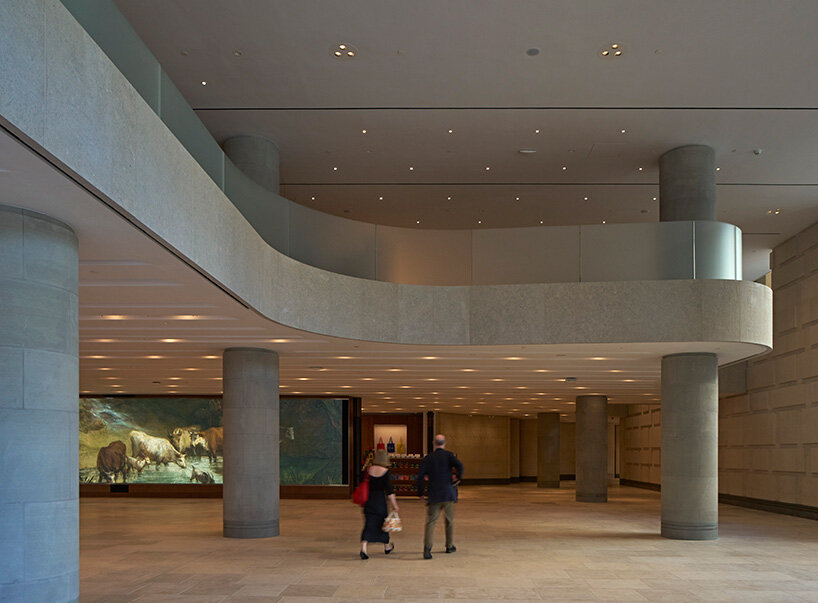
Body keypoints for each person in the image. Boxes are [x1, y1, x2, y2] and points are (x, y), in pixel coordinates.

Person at [416, 434, 464, 559]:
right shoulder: (449, 455)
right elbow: (460, 466)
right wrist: (458, 478)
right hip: (448, 493)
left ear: (434, 443)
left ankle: (427, 550)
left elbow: (420, 476)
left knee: (431, 523)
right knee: (449, 521)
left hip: (434, 494)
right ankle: (449, 546)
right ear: (444, 443)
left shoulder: (429, 458)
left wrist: (420, 493)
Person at [360, 449, 399, 559]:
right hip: (380, 501)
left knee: (369, 524)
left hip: (369, 500)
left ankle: (364, 548)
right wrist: (394, 504)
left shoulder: (368, 470)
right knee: (383, 524)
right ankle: (387, 546)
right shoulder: (386, 472)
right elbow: (389, 491)